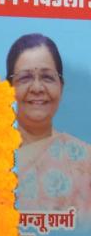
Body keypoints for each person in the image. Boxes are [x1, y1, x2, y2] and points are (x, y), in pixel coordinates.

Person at [6, 33, 91, 224]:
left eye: (47, 77)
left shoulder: (84, 162)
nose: (37, 88)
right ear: (8, 88)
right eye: (25, 78)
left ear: (61, 86)